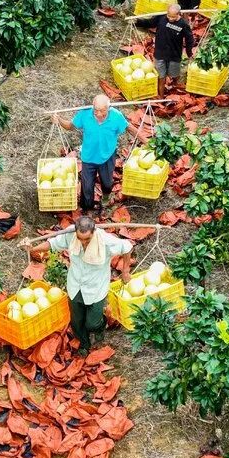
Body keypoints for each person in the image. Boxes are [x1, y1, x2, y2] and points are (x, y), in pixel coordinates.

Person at [22, 215, 133, 355]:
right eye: (80, 239)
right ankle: (84, 344)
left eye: (87, 239)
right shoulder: (69, 235)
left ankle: (99, 326)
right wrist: (31, 249)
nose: (83, 242)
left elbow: (127, 247)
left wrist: (125, 271)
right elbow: (52, 244)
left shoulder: (106, 240)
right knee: (76, 321)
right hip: (75, 285)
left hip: (96, 288)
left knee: (92, 322)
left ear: (93, 232)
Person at [51, 94, 129, 214]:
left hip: (107, 155)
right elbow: (70, 126)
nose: (98, 114)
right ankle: (88, 210)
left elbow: (128, 128)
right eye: (95, 110)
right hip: (88, 157)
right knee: (87, 187)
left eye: (102, 111)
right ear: (92, 107)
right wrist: (59, 120)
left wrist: (145, 140)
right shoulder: (85, 114)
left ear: (108, 108)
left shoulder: (116, 117)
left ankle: (106, 197)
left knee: (107, 183)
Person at [139, 3, 194, 96]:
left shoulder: (183, 24)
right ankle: (161, 96)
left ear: (179, 14)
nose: (170, 18)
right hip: (160, 54)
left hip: (174, 55)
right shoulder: (161, 18)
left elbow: (189, 39)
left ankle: (175, 85)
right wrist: (137, 21)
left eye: (173, 17)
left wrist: (189, 53)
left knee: (174, 74)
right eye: (169, 16)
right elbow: (150, 23)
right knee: (161, 77)